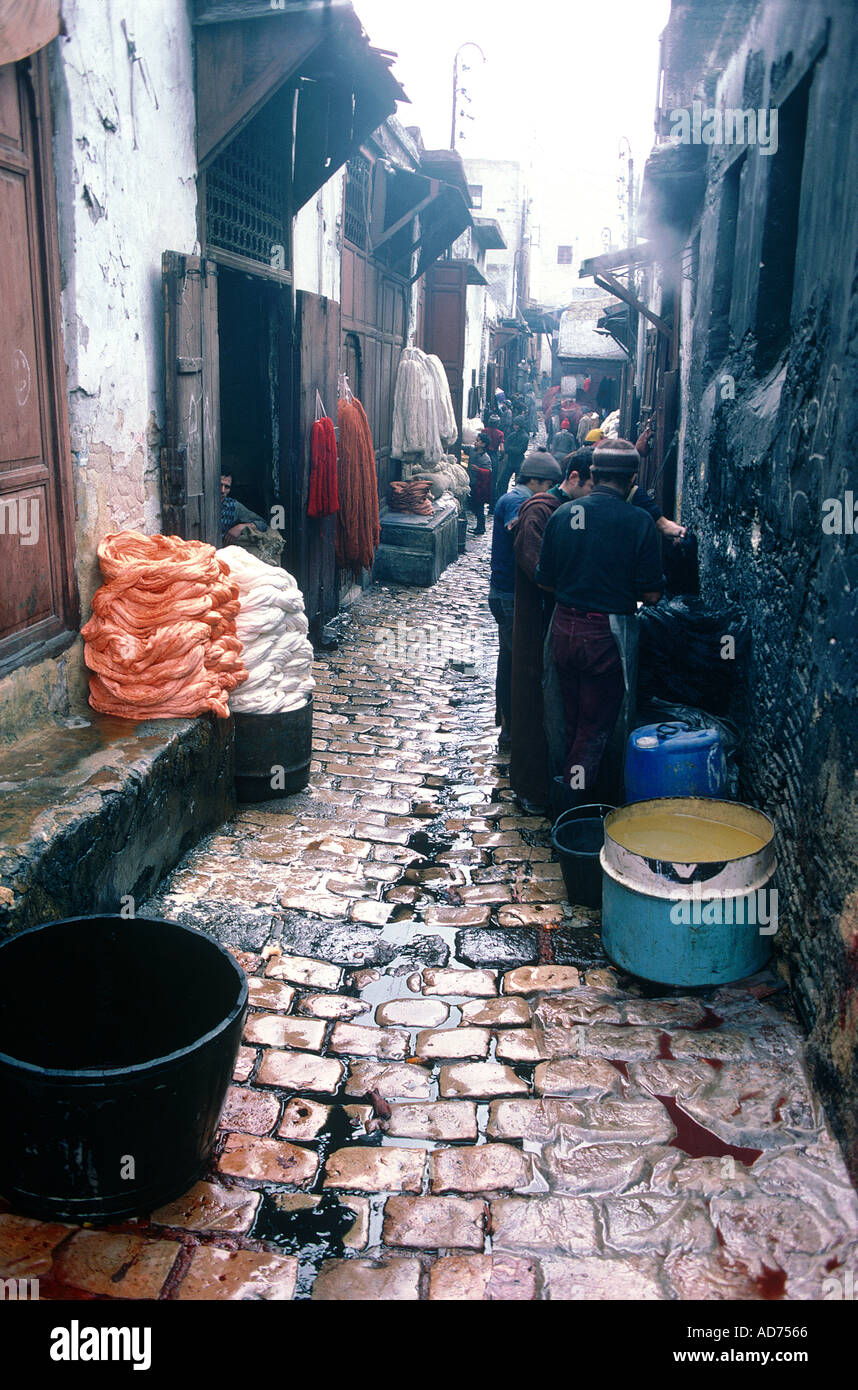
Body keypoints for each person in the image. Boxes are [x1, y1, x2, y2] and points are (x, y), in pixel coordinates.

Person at [535, 439, 663, 804]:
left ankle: (566, 794)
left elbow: (545, 580)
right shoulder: (638, 522)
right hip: (606, 635)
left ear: (593, 474)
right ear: (632, 479)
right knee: (594, 725)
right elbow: (652, 595)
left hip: (562, 628)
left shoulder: (564, 514)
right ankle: (577, 809)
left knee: (568, 717)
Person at [510, 450, 594, 812]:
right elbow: (535, 566)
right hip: (536, 624)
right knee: (531, 703)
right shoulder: (541, 509)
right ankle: (531, 789)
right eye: (590, 485)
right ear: (574, 478)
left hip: (560, 622)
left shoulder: (574, 510)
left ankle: (553, 783)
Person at [489, 452, 563, 751]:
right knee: (518, 664)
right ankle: (513, 729)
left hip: (504, 593)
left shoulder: (516, 497)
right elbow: (518, 528)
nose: (549, 491)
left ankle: (508, 725)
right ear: (533, 480)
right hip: (510, 596)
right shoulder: (517, 501)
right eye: (547, 484)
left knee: (509, 661)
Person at [221, 474, 269, 542]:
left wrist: (241, 527)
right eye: (219, 485)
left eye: (227, 487)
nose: (222, 490)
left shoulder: (234, 506)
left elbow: (262, 524)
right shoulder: (201, 502)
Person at [496, 416, 530, 498]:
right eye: (514, 424)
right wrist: (512, 449)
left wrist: (511, 449)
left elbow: (520, 450)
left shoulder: (525, 437)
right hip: (510, 461)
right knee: (502, 482)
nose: (515, 426)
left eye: (517, 425)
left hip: (518, 462)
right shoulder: (512, 435)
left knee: (519, 483)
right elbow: (507, 447)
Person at [466, 438, 493, 535]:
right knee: (474, 506)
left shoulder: (485, 458)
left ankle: (481, 527)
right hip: (471, 482)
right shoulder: (472, 450)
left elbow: (489, 472)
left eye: (478, 441)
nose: (475, 442)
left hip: (478, 485)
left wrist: (478, 470)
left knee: (479, 507)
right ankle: (479, 527)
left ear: (483, 444)